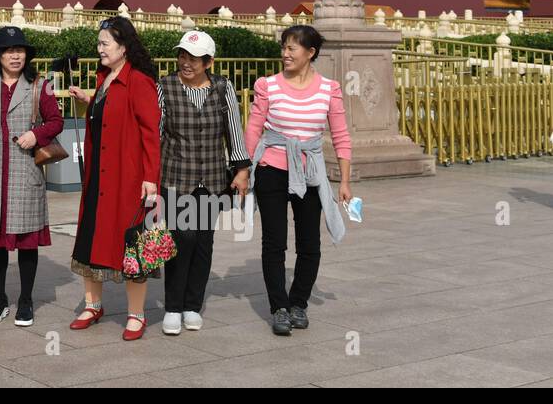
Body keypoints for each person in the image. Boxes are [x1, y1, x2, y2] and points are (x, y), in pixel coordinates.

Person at [245, 24, 352, 337]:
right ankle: (278, 307)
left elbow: (342, 136)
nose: (285, 54)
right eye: (284, 47)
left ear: (310, 53)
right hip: (272, 169)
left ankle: (298, 304)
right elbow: (253, 128)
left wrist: (344, 181)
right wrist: (245, 169)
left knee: (309, 244)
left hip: (310, 173)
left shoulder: (328, 89)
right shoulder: (268, 86)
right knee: (274, 242)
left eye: (292, 48)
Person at [66, 17, 160, 341]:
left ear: (123, 46)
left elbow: (151, 134)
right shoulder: (104, 78)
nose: (100, 49)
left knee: (133, 243)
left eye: (105, 43)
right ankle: (93, 305)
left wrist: (151, 179)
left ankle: (137, 314)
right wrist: (88, 100)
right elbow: (107, 115)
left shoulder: (139, 81)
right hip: (98, 177)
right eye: (99, 43)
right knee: (90, 238)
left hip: (128, 178)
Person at [0, 26, 63, 327]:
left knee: (26, 242)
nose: (15, 55)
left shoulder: (40, 86)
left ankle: (26, 300)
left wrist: (36, 134)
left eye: (19, 50)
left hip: (24, 172)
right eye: (9, 51)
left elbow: (56, 120)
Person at [155, 30, 250, 336]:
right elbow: (155, 134)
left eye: (194, 59)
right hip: (176, 176)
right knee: (183, 238)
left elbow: (234, 129)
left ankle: (192, 305)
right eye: (182, 56)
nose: (186, 63)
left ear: (209, 61)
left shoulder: (223, 88)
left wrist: (241, 169)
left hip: (211, 177)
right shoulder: (165, 87)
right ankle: (172, 306)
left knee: (204, 242)